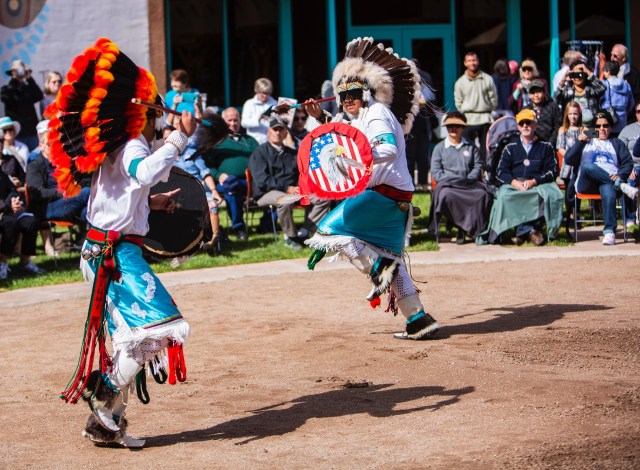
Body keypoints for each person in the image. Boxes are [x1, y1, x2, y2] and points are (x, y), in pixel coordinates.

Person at [47, 38, 228, 448]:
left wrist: (153, 200)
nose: (161, 122)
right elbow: (142, 171)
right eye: (157, 115)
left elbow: (130, 186)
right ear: (145, 115)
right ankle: (104, 390)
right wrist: (179, 140)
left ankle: (105, 422)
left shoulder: (123, 145)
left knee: (131, 337)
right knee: (161, 327)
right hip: (113, 254)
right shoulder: (132, 144)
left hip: (106, 251)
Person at [303, 36, 440, 340]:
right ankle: (418, 319)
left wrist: (353, 158)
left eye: (352, 93)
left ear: (367, 92)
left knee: (330, 230)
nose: (346, 100)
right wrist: (321, 118)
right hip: (393, 195)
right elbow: (346, 136)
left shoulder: (376, 113)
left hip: (385, 195)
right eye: (342, 95)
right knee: (394, 262)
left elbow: (387, 149)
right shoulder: (365, 117)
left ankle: (379, 266)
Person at [480, 109, 563, 245]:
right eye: (522, 123)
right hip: (516, 185)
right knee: (504, 196)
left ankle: (522, 232)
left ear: (535, 125)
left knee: (548, 195)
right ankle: (531, 231)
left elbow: (552, 171)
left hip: (538, 185)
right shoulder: (509, 147)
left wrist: (534, 181)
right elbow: (501, 171)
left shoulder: (546, 146)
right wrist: (514, 183)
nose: (525, 126)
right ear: (518, 127)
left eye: (528, 123)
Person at [248, 116, 330, 249]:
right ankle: (290, 237)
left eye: (281, 130)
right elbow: (262, 180)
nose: (278, 133)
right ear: (268, 131)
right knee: (285, 200)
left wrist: (303, 187)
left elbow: (303, 174)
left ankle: (305, 232)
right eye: (275, 129)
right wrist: (287, 188)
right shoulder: (259, 152)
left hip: (294, 191)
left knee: (323, 197)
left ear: (286, 133)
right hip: (265, 193)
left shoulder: (293, 153)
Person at [564, 110, 635, 245]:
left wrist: (620, 175)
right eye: (597, 126)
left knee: (608, 189)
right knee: (587, 166)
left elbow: (627, 163)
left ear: (611, 127)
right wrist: (579, 142)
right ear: (593, 128)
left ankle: (609, 232)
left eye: (605, 125)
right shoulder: (587, 141)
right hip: (586, 183)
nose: (601, 129)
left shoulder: (616, 143)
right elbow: (568, 160)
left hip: (610, 182)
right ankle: (622, 185)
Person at [427, 111, 492, 244]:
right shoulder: (439, 148)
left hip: (469, 185)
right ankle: (461, 227)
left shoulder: (472, 147)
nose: (453, 129)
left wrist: (469, 179)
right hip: (448, 186)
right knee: (446, 194)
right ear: (446, 128)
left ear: (463, 128)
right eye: (450, 126)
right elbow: (436, 171)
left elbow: (478, 165)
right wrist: (452, 181)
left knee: (482, 194)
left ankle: (474, 230)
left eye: (457, 126)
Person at [203, 107, 258, 241]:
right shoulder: (216, 142)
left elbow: (261, 159)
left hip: (250, 182)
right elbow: (207, 166)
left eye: (236, 120)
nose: (233, 123)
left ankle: (267, 223)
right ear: (223, 121)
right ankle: (239, 227)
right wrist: (218, 175)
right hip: (226, 183)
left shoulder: (250, 141)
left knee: (272, 185)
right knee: (231, 185)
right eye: (230, 120)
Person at [0, 165, 44, 280]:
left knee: (31, 222)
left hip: (9, 211)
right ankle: (2, 263)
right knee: (11, 223)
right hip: (4, 211)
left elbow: (12, 191)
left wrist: (13, 200)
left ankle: (25, 262)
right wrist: (7, 205)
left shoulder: (2, 173)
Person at [454, 51, 498, 164]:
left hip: (485, 118)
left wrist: (489, 109)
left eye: (474, 60)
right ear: (465, 63)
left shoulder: (487, 79)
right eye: (469, 61)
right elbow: (458, 102)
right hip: (468, 119)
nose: (472, 63)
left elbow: (494, 99)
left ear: (478, 61)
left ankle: (484, 172)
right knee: (468, 149)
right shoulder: (460, 82)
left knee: (486, 149)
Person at [0, 59, 43, 151]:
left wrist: (29, 78)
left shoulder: (28, 89)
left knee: (35, 156)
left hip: (31, 131)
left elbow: (39, 96)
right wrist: (14, 79)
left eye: (21, 71)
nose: (20, 73)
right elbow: (5, 98)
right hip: (17, 133)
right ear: (12, 72)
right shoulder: (6, 89)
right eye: (17, 71)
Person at [554, 60, 606, 130]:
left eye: (580, 74)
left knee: (590, 139)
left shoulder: (591, 90)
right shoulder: (567, 91)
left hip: (591, 129)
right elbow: (556, 99)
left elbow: (602, 88)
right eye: (575, 74)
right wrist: (563, 79)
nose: (578, 77)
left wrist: (588, 72)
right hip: (573, 129)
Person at [556, 102, 583, 224]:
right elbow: (560, 147)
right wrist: (569, 156)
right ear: (567, 114)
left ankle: (576, 214)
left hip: (580, 165)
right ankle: (569, 214)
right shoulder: (563, 130)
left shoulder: (583, 129)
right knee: (569, 191)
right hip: (567, 166)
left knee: (578, 189)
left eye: (575, 114)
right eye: (570, 113)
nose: (573, 116)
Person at [618, 99, 640, 226]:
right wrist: (629, 166)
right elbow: (620, 151)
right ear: (635, 113)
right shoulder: (627, 130)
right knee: (628, 183)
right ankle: (630, 218)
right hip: (634, 166)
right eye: (639, 111)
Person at [523, 79, 562, 146]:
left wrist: (550, 143)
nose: (536, 95)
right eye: (533, 92)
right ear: (529, 94)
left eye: (538, 92)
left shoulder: (552, 106)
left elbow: (558, 126)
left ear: (544, 93)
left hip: (550, 145)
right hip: (531, 145)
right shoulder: (526, 110)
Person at [600, 61, 634, 136]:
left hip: (609, 120)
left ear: (608, 71)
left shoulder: (604, 84)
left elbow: (598, 101)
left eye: (604, 70)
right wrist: (625, 111)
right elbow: (631, 103)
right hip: (623, 121)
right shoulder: (626, 84)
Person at [241, 77, 278, 144]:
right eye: (263, 93)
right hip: (253, 141)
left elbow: (278, 122)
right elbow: (244, 123)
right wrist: (258, 119)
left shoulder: (274, 103)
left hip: (270, 142)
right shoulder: (249, 103)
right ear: (257, 91)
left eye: (267, 93)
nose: (265, 95)